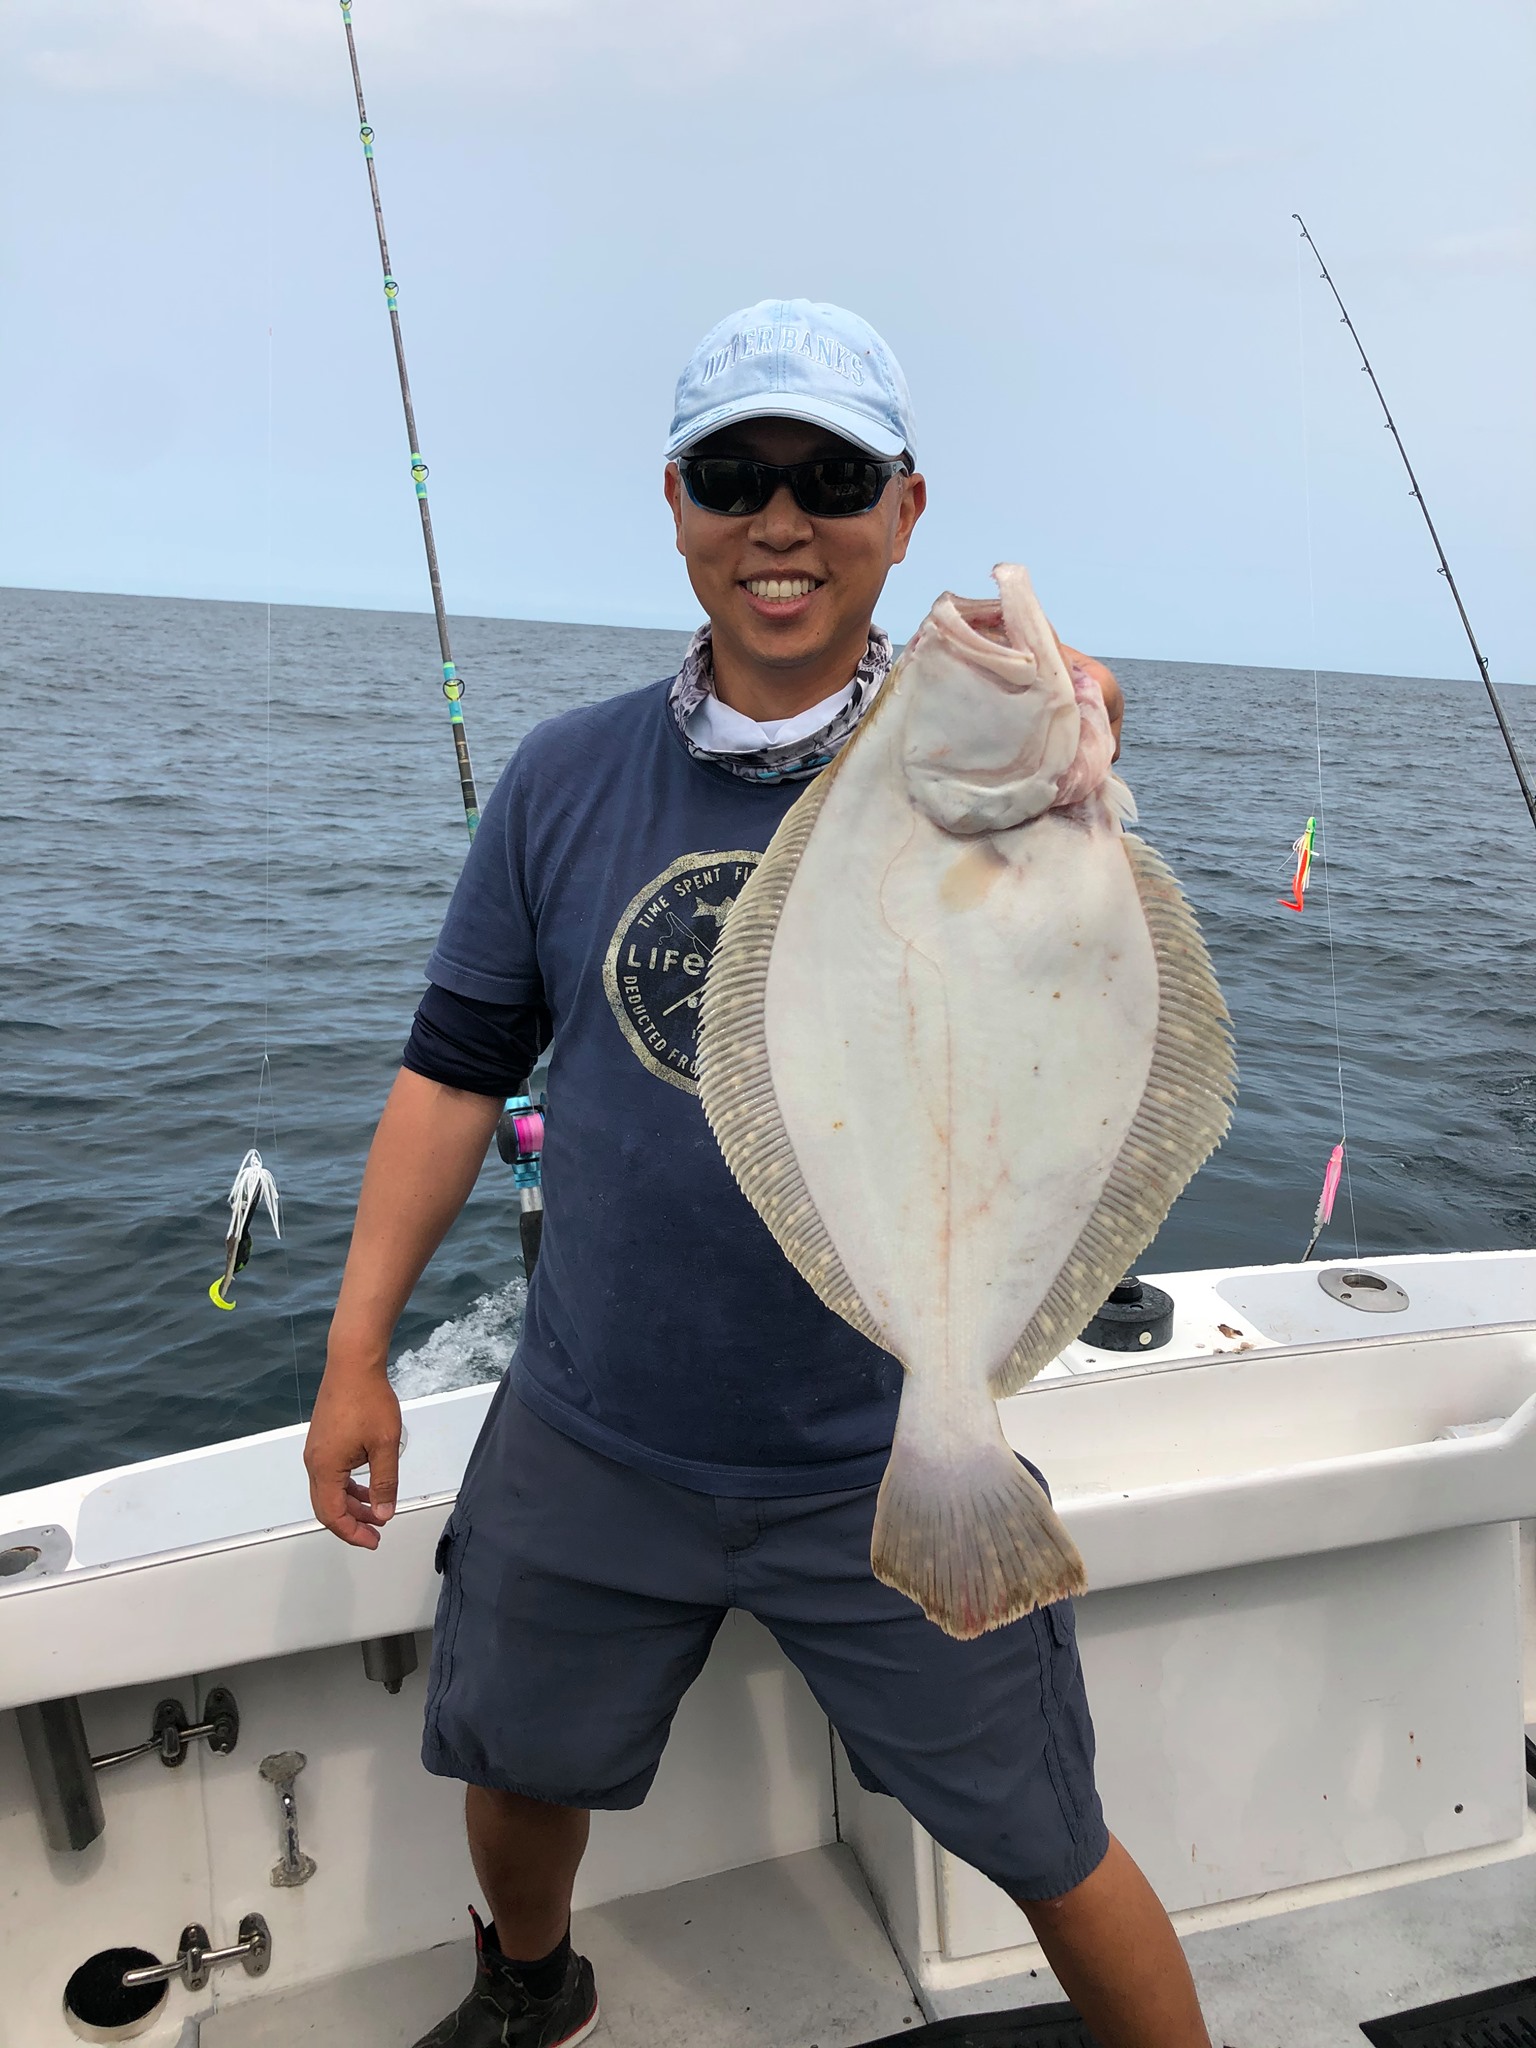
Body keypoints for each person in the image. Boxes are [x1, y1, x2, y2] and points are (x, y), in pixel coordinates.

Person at [303, 298, 1211, 2048]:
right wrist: (356, 1352)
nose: (780, 521)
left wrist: (1076, 725)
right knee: (515, 1763)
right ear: (673, 502)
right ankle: (531, 1984)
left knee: (1048, 1840)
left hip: (881, 1444)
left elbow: (1075, 799)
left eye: (833, 480)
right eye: (733, 476)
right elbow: (452, 1074)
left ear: (906, 508)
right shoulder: (565, 780)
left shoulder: (1004, 769)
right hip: (595, 1424)